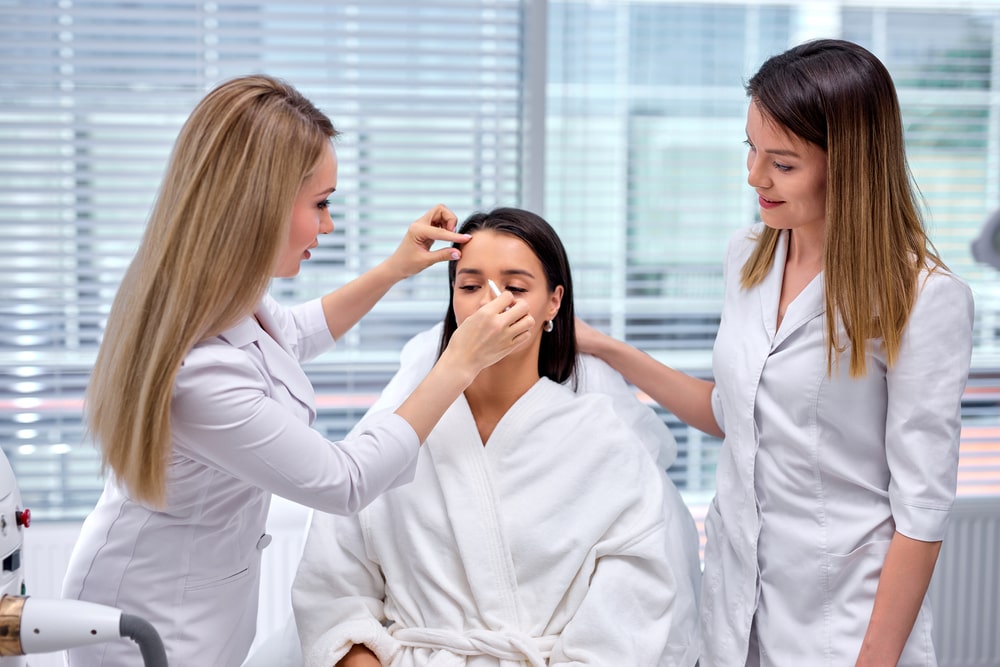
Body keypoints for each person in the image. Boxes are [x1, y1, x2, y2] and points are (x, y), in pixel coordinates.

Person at [61, 75, 533, 667]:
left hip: (194, 604)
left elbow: (293, 333)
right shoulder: (200, 376)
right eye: (321, 204)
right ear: (259, 204)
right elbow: (345, 482)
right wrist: (457, 362)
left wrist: (392, 270)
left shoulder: (219, 297)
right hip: (154, 623)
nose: (328, 226)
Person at [576, 39, 975, 666]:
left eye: (782, 163)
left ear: (849, 166)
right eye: (751, 150)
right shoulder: (750, 257)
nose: (755, 177)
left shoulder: (925, 298)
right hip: (734, 610)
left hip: (842, 627)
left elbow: (921, 515)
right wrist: (601, 345)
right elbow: (730, 413)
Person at [290, 207, 701, 666]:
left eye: (516, 287)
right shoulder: (391, 437)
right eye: (469, 286)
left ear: (553, 302)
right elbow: (332, 594)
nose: (490, 302)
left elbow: (630, 614)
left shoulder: (607, 445)